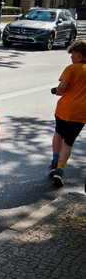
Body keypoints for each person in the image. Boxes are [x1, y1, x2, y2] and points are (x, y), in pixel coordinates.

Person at [49, 40, 86, 186]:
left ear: (78, 54)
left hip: (65, 109)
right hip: (82, 113)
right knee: (68, 142)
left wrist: (57, 91)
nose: (71, 58)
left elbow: (62, 87)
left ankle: (54, 162)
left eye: (72, 55)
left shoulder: (72, 69)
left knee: (58, 133)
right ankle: (60, 170)